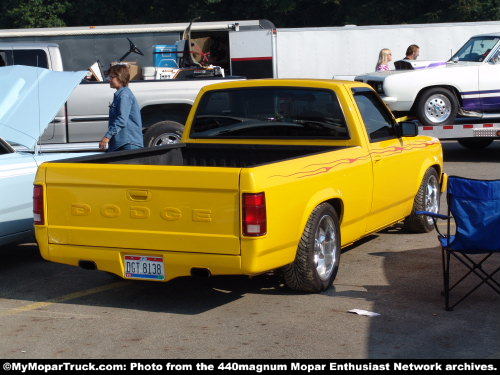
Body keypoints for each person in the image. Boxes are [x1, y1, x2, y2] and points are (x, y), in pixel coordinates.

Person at [99, 64, 143, 152]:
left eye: (111, 77)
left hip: (128, 143)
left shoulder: (124, 95)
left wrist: (107, 136)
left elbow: (122, 119)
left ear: (120, 77)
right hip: (122, 143)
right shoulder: (121, 94)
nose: (109, 80)